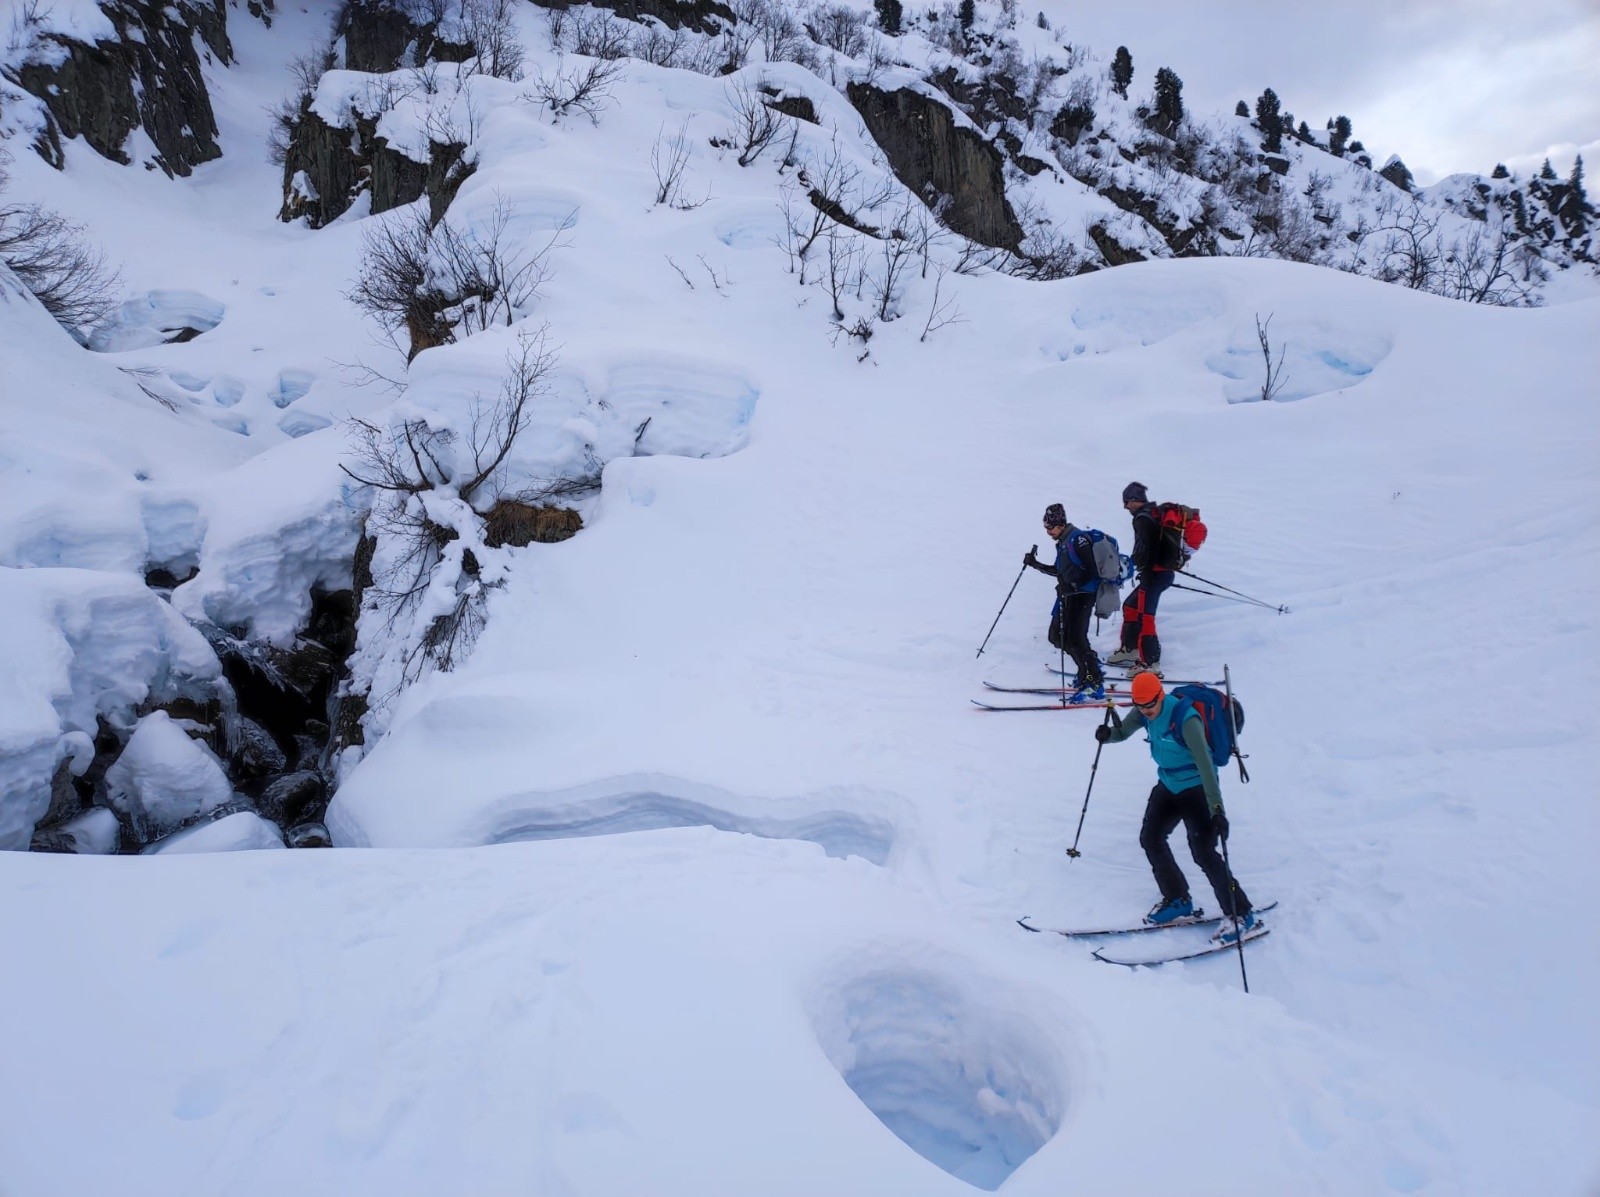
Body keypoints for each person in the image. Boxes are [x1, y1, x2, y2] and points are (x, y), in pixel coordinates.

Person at [1094, 671, 1257, 943]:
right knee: (1150, 838)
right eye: (1140, 705)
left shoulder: (1186, 719)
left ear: (1161, 696)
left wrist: (1218, 810)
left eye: (1149, 705)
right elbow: (1123, 732)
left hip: (1197, 790)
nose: (1145, 711)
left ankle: (1242, 913)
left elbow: (1207, 765)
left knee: (1204, 853)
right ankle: (1178, 898)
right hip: (1168, 784)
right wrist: (1107, 735)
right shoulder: (1144, 710)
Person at [1023, 503, 1105, 699]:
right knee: (1060, 637)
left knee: (1076, 639)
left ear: (1060, 524)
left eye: (1050, 527)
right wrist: (1036, 565)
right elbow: (1061, 573)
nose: (1048, 531)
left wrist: (1073, 585)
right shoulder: (1063, 542)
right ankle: (1086, 670)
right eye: (1045, 528)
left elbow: (1091, 570)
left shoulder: (1078, 539)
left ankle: (1094, 681)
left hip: (1083, 596)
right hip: (1070, 596)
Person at [1106, 481, 1172, 676]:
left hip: (1154, 575)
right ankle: (1129, 650)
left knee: (1146, 616)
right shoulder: (1153, 513)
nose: (1125, 507)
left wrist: (1134, 563)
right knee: (1131, 607)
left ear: (1135, 500)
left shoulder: (1142, 518)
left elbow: (1146, 548)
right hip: (1160, 573)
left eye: (1127, 502)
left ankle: (1150, 663)